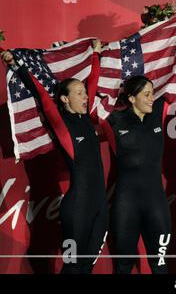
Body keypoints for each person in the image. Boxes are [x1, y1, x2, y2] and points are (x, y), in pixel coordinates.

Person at [1, 40, 108, 274]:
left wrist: (96, 54)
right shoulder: (60, 121)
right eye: (79, 94)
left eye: (84, 93)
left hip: (100, 206)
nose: (86, 96)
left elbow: (93, 81)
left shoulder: (87, 117)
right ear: (64, 99)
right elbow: (39, 91)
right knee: (72, 268)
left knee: (86, 268)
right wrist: (16, 64)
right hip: (77, 208)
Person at [102, 75, 171, 274]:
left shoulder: (158, 111)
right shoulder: (114, 120)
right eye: (146, 94)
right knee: (123, 265)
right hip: (126, 204)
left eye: (152, 93)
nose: (151, 98)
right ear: (132, 98)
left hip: (156, 203)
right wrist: (95, 56)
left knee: (160, 264)